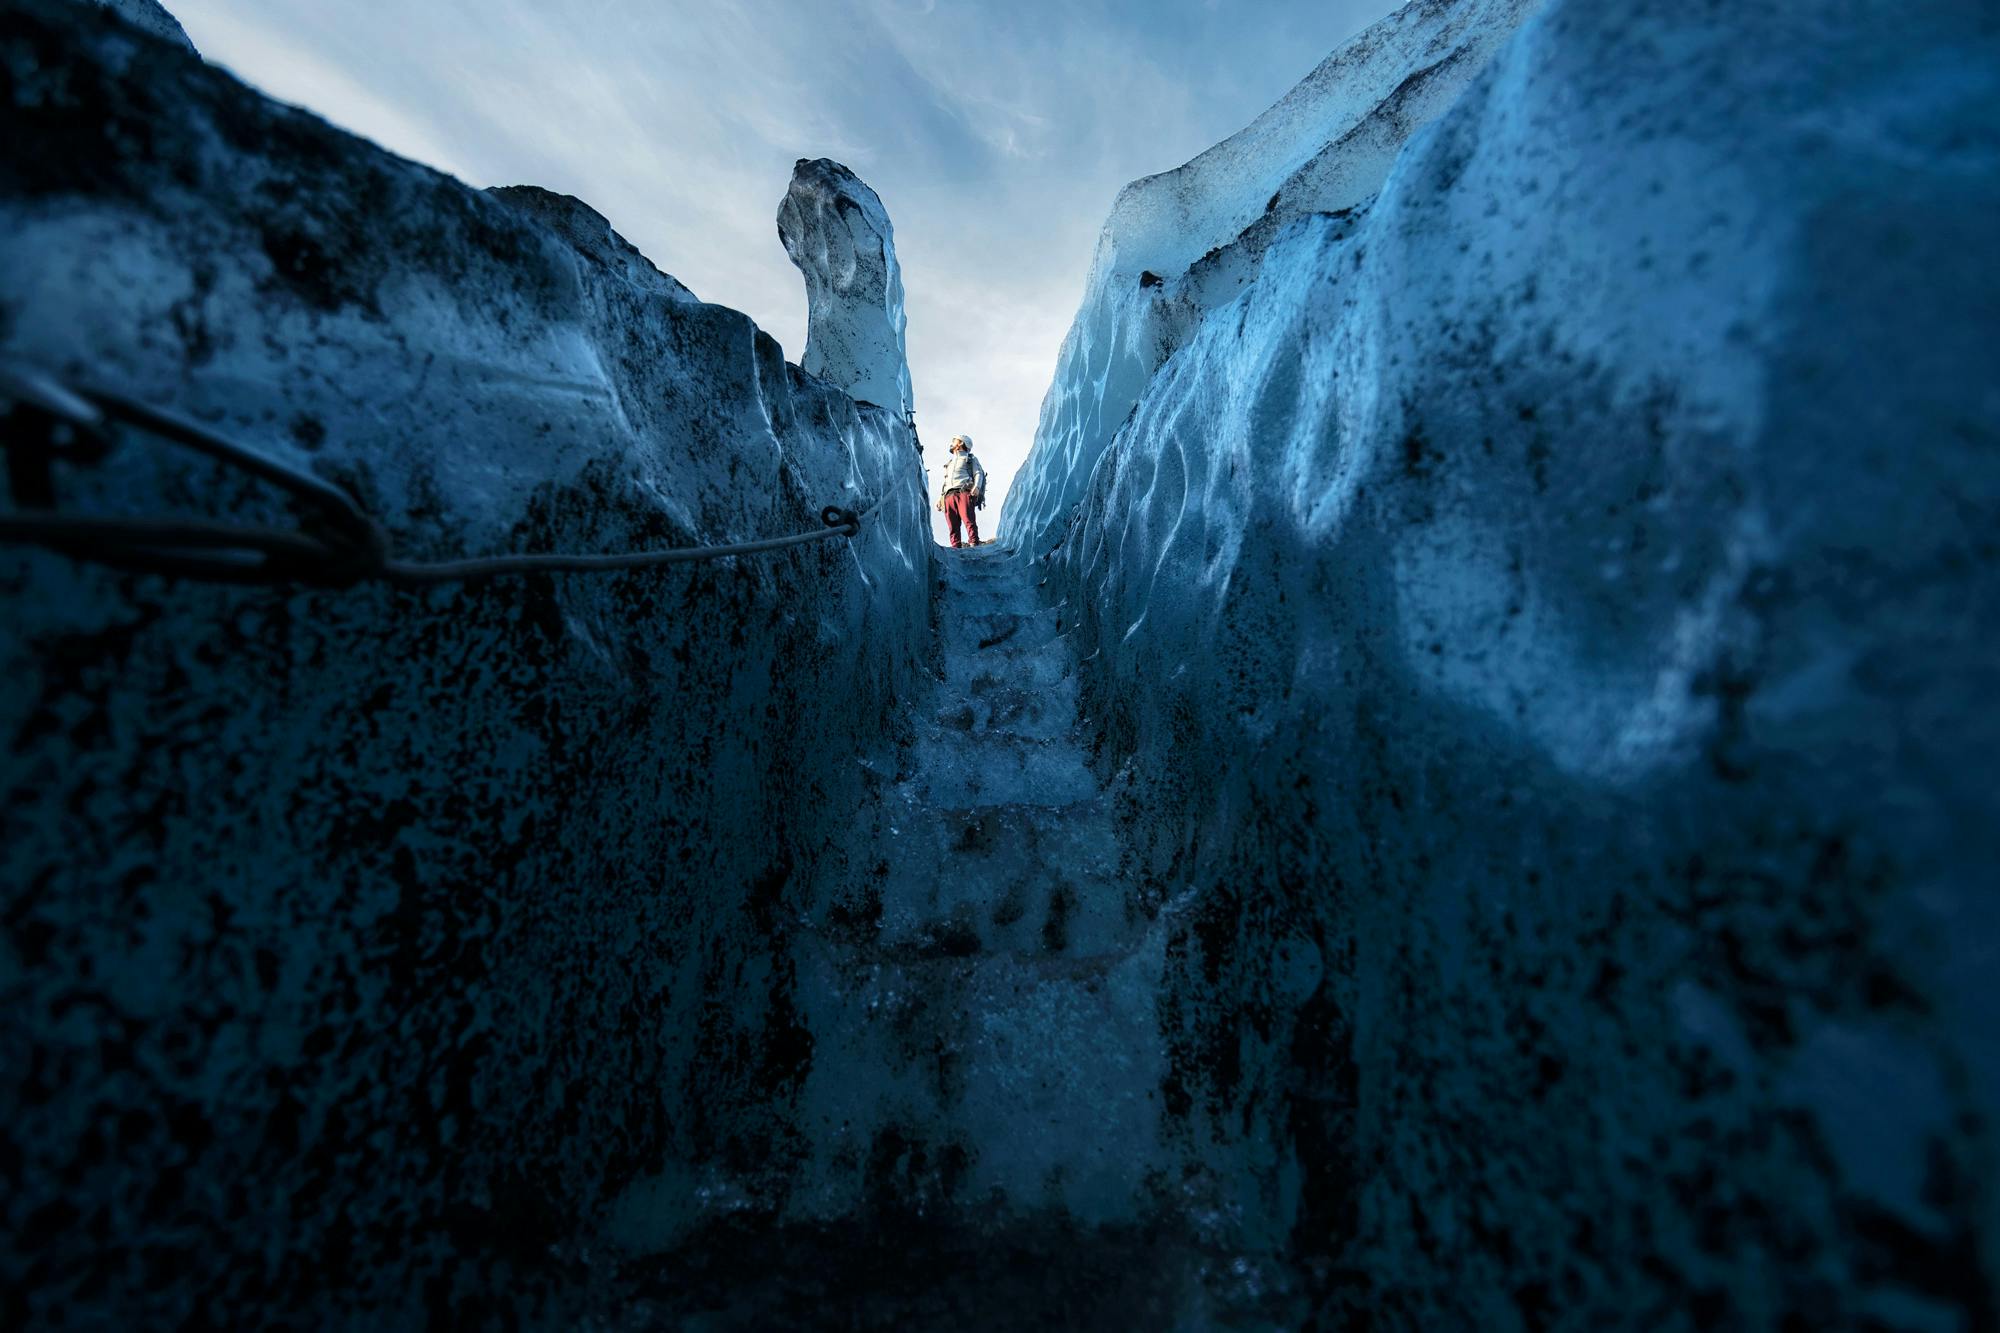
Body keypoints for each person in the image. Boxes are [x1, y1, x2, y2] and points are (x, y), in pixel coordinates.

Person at [935, 434, 987, 548]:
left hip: (964, 492)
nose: (952, 442)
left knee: (969, 520)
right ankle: (955, 547)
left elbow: (978, 473)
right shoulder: (949, 463)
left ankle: (974, 544)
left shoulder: (970, 458)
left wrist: (977, 487)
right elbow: (946, 482)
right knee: (952, 525)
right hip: (948, 495)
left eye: (954, 441)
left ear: (961, 443)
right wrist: (940, 498)